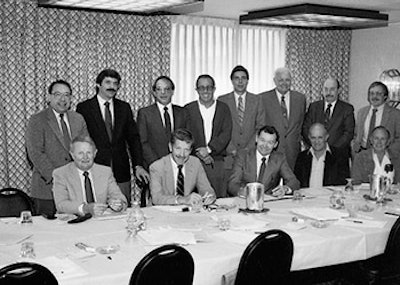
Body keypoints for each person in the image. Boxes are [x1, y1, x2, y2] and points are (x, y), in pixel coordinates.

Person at [76, 69, 149, 204]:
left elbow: (133, 138)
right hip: (95, 168)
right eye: (108, 82)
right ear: (98, 84)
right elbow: (81, 140)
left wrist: (138, 165)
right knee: (98, 210)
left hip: (121, 170)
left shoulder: (124, 107)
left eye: (115, 83)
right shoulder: (84, 108)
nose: (112, 87)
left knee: (122, 209)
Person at [25, 80, 88, 215]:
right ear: (49, 97)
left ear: (71, 98)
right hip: (46, 189)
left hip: (75, 191)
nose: (62, 99)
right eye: (57, 94)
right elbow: (36, 153)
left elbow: (85, 149)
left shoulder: (78, 119)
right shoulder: (37, 120)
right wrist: (57, 179)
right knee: (47, 233)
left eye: (67, 95)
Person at [52, 135, 127, 216]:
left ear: (95, 154)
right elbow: (61, 204)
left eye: (89, 153)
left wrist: (119, 205)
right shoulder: (61, 174)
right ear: (72, 155)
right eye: (80, 153)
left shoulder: (105, 172)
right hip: (74, 222)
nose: (85, 157)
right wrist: (85, 208)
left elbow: (120, 198)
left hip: (100, 222)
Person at [185, 74, 232, 197]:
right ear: (197, 90)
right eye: (201, 88)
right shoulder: (188, 109)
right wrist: (200, 152)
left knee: (218, 199)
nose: (205, 91)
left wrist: (209, 149)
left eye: (209, 87)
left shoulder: (223, 108)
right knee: (196, 201)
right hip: (193, 161)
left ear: (214, 89)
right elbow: (186, 135)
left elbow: (226, 133)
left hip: (216, 161)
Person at [218, 65, 265, 184]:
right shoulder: (222, 100)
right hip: (228, 156)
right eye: (236, 78)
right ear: (232, 80)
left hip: (250, 156)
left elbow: (260, 127)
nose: (240, 81)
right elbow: (219, 128)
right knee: (228, 191)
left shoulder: (257, 100)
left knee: (248, 191)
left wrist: (247, 149)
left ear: (247, 81)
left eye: (243, 78)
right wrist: (231, 149)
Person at [302, 77, 355, 176]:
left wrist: (329, 150)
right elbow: (306, 129)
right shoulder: (313, 107)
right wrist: (317, 146)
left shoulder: (347, 109)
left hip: (338, 157)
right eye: (325, 89)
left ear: (339, 91)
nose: (328, 92)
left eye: (332, 89)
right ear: (321, 91)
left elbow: (348, 133)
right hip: (315, 155)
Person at [228, 125, 300, 196]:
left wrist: (285, 189)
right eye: (262, 140)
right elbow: (232, 184)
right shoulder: (242, 156)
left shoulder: (279, 159)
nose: (265, 145)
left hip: (269, 202)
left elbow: (294, 182)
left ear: (275, 144)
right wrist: (242, 191)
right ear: (256, 139)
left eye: (270, 142)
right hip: (245, 200)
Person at [150, 128, 216, 205]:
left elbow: (206, 189)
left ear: (191, 150)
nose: (182, 154)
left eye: (186, 150)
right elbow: (157, 198)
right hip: (163, 212)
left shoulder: (195, 163)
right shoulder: (157, 167)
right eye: (178, 148)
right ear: (170, 147)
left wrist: (209, 197)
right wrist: (182, 200)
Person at [259, 67, 306, 170]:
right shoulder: (263, 98)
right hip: (271, 151)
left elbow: (301, 124)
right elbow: (260, 125)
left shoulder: (300, 98)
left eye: (287, 80)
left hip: (293, 152)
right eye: (281, 80)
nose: (284, 83)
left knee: (292, 183)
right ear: (275, 81)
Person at [137, 76, 188, 169]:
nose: (163, 93)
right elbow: (143, 142)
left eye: (167, 89)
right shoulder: (145, 113)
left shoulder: (183, 112)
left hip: (179, 166)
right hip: (154, 166)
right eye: (159, 89)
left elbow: (187, 140)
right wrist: (158, 163)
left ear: (172, 91)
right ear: (154, 93)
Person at [294, 123, 348, 188]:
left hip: (329, 196)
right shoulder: (302, 157)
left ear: (326, 137)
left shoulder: (339, 156)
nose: (316, 141)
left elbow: (342, 184)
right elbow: (296, 183)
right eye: (313, 138)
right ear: (309, 137)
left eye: (320, 137)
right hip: (306, 197)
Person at [353, 81, 400, 154]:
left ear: (385, 96)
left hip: (385, 155)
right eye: (372, 93)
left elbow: (398, 138)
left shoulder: (395, 114)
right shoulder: (361, 112)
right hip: (362, 154)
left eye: (378, 94)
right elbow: (356, 135)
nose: (374, 96)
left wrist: (389, 153)